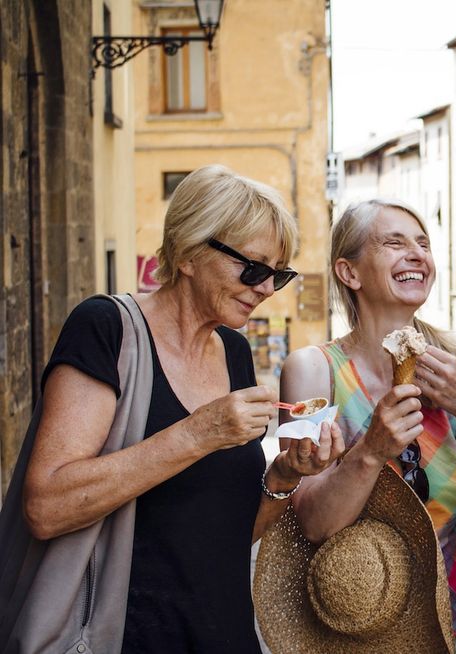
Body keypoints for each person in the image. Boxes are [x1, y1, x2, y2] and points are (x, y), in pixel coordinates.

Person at [21, 165, 344, 652]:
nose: (265, 288)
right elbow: (46, 507)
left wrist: (283, 475)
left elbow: (227, 537)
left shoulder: (234, 351)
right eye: (253, 268)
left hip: (222, 634)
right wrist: (198, 434)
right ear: (191, 252)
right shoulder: (105, 328)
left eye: (278, 274)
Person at [280, 198, 456, 654]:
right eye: (394, 243)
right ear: (349, 273)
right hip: (353, 638)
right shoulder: (312, 373)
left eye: (423, 243)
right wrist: (370, 450)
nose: (417, 254)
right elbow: (307, 525)